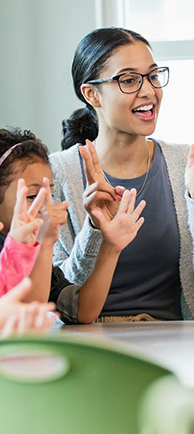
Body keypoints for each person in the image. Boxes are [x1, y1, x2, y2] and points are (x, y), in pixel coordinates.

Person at [50, 27, 194, 321]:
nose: (148, 91)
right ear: (91, 94)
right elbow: (59, 302)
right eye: (129, 80)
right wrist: (95, 232)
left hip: (181, 346)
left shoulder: (184, 165)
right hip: (96, 350)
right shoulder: (57, 174)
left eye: (153, 76)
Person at [0, 128, 146, 323]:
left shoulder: (35, 247)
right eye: (32, 196)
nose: (45, 206)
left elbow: (82, 312)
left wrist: (111, 247)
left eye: (49, 195)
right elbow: (23, 317)